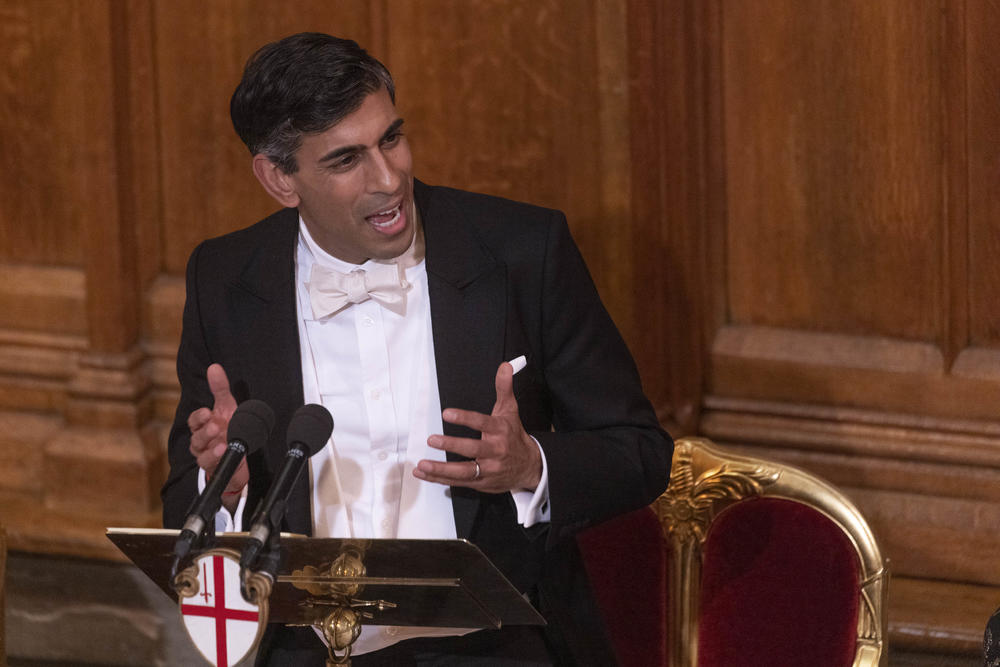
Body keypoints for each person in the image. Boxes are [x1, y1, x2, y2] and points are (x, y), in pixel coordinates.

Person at [161, 32, 672, 666]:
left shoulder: (522, 251)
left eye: (392, 138)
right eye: (346, 160)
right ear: (278, 178)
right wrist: (226, 487)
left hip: (490, 646)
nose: (389, 177)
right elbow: (185, 498)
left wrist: (531, 467)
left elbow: (640, 452)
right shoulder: (225, 278)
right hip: (298, 649)